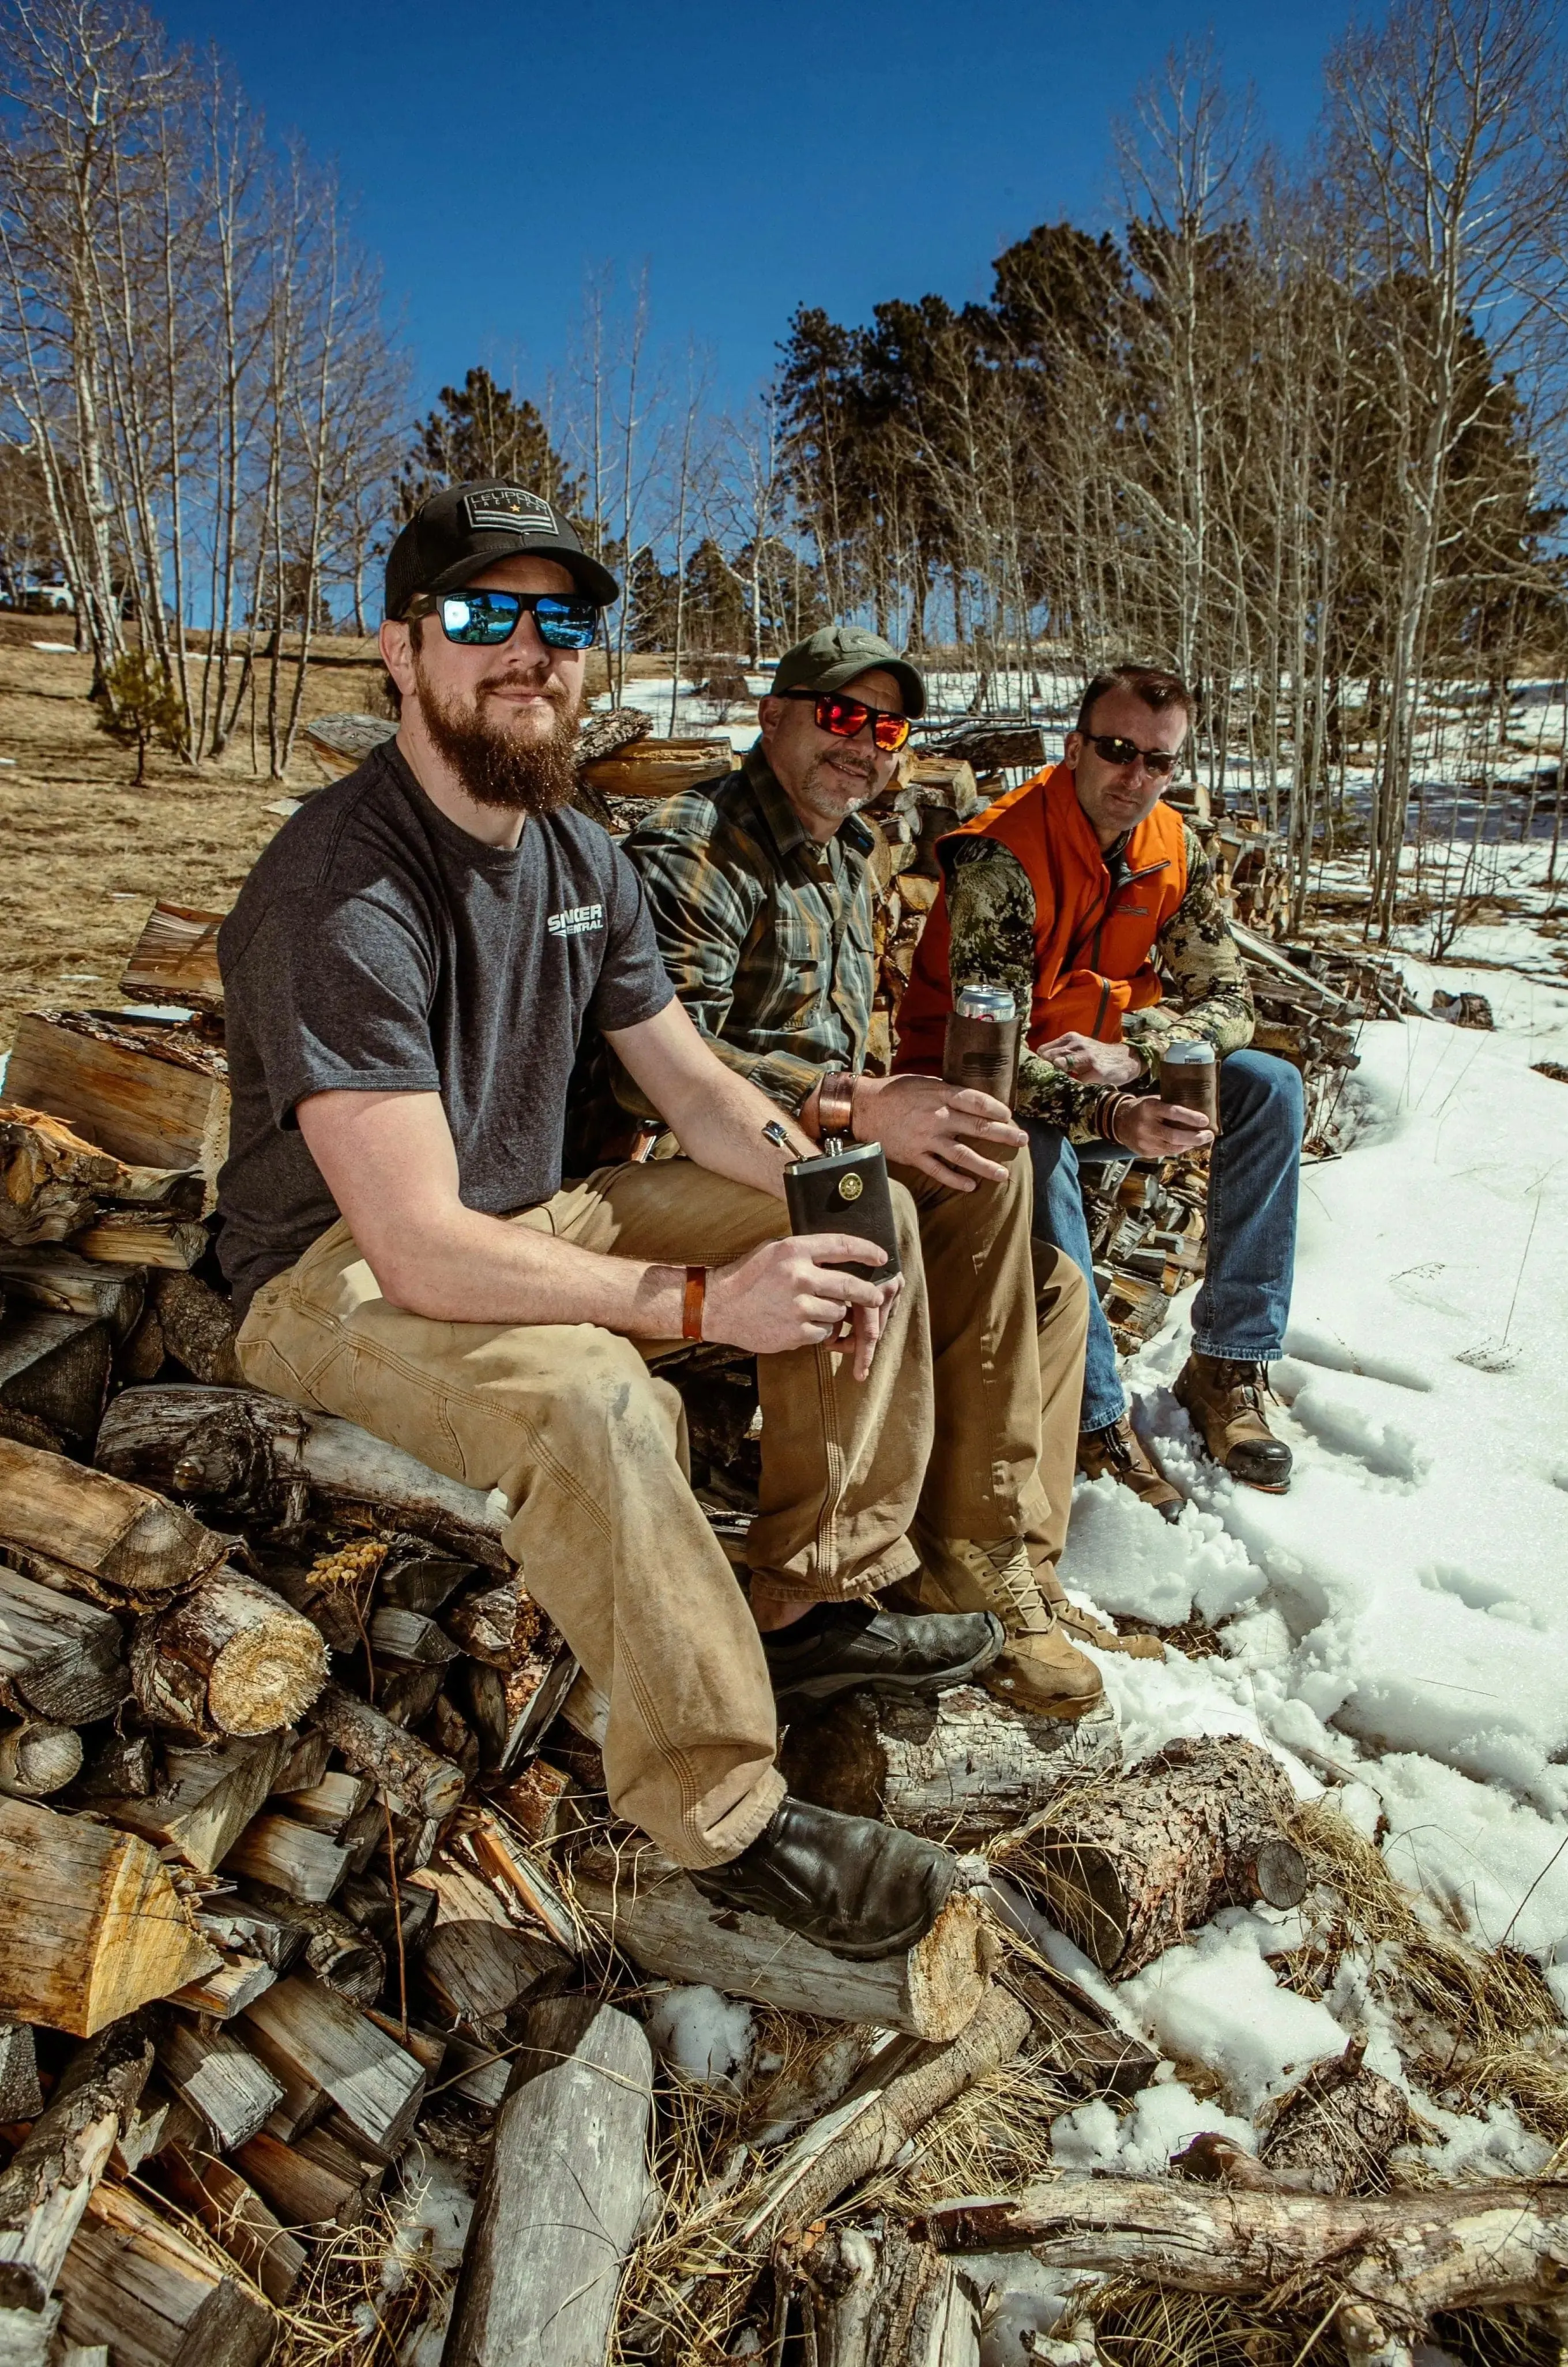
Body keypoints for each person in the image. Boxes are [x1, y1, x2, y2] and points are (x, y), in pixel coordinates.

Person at [216, 482, 1007, 1963]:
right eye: (481, 615)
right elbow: (416, 1244)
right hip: (336, 1273)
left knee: (864, 1205)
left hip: (541, 1207)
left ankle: (814, 1600)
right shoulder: (342, 888)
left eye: (559, 619)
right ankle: (723, 1823)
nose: (529, 650)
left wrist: (826, 1200)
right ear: (400, 650)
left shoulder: (579, 857)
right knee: (596, 1395)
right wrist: (705, 1307)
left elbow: (698, 1088)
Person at [621, 625, 1161, 1714]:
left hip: (804, 1152)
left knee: (1046, 1282)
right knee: (938, 1198)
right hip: (686, 1162)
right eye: (840, 715)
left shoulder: (844, 856)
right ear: (773, 715)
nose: (864, 745)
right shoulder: (698, 845)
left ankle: (1008, 1562)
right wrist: (858, 1103)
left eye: (888, 728)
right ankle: (886, 1574)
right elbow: (663, 1066)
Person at [896, 663, 1302, 1515]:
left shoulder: (1176, 847)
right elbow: (988, 1058)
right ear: (1075, 747)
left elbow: (1229, 1002)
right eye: (1119, 751)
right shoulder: (1000, 857)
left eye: (1161, 761)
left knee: (1269, 1087)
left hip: (1099, 1077)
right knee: (1032, 1149)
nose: (1139, 777)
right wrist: (1116, 1110)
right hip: (967, 1087)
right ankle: (1093, 1418)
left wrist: (1136, 1053)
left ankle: (1228, 1363)